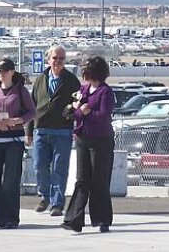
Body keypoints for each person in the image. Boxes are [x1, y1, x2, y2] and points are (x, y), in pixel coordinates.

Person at [61, 55, 115, 233]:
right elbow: (73, 114)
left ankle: (102, 219)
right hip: (83, 138)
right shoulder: (84, 90)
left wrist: (87, 112)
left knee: (99, 180)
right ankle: (73, 219)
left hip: (101, 140)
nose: (84, 75)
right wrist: (78, 110)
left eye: (87, 71)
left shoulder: (105, 92)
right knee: (82, 179)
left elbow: (104, 116)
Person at [25, 45, 80, 217]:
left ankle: (57, 203)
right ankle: (45, 196)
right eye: (55, 58)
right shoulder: (41, 79)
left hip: (62, 131)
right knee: (39, 165)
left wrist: (73, 119)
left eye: (61, 58)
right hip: (41, 129)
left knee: (59, 168)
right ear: (48, 59)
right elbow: (32, 105)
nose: (58, 61)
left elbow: (78, 103)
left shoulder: (71, 80)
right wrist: (29, 131)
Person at [0, 58, 36, 229]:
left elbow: (32, 112)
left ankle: (10, 217)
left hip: (14, 139)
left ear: (12, 72)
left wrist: (18, 120)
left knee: (11, 180)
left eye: (5, 70)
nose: (2, 73)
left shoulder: (20, 91)